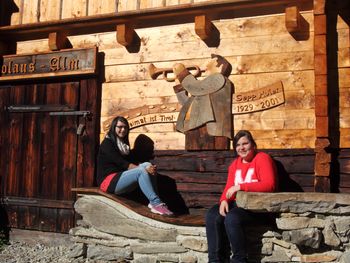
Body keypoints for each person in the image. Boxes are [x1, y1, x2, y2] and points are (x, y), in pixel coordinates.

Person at [205, 130, 277, 263]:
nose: (241, 148)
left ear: (253, 145)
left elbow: (269, 185)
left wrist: (241, 186)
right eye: (238, 145)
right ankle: (215, 260)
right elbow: (228, 187)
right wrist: (224, 200)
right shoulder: (235, 164)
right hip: (238, 205)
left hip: (258, 208)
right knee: (212, 215)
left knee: (232, 218)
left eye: (245, 143)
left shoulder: (262, 158)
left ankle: (239, 260)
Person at [96, 116, 173, 216]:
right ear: (113, 127)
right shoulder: (107, 143)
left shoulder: (124, 146)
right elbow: (123, 164)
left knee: (148, 164)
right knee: (142, 170)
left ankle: (156, 203)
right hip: (108, 181)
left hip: (120, 177)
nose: (123, 130)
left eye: (125, 127)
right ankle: (156, 203)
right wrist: (144, 169)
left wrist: (149, 168)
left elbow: (132, 163)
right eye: (119, 127)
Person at [172, 54, 233, 139]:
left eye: (209, 64)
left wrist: (182, 74)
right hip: (197, 130)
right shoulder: (206, 90)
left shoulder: (220, 79)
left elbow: (197, 87)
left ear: (220, 66)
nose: (206, 67)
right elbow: (187, 104)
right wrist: (179, 88)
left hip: (215, 132)